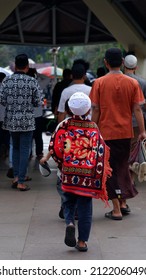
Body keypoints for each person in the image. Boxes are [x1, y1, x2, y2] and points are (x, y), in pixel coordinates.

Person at [48, 92, 112, 251]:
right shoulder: (93, 127)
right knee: (85, 207)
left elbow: (55, 148)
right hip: (87, 178)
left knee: (68, 202)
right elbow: (100, 150)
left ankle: (70, 222)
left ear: (69, 109)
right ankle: (82, 242)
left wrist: (62, 165)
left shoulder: (63, 125)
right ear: (88, 109)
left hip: (67, 175)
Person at [90, 47, 146, 220]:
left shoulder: (98, 83)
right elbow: (138, 109)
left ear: (105, 63)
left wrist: (92, 128)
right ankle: (123, 202)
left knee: (109, 170)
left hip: (106, 133)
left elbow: (96, 110)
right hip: (126, 132)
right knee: (123, 167)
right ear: (122, 62)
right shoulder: (132, 83)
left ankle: (116, 209)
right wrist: (143, 131)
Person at [0, 54, 41, 191]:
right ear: (27, 67)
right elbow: (37, 102)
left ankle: (16, 176)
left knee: (15, 148)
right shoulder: (32, 81)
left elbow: (3, 100)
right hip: (27, 121)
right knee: (24, 150)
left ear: (15, 66)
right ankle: (21, 181)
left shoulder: (7, 81)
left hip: (11, 121)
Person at [27, 67, 44, 159]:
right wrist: (37, 73)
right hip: (37, 114)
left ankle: (29, 153)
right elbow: (47, 78)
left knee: (28, 135)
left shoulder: (24, 84)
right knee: (38, 135)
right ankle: (39, 152)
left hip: (28, 114)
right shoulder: (39, 83)